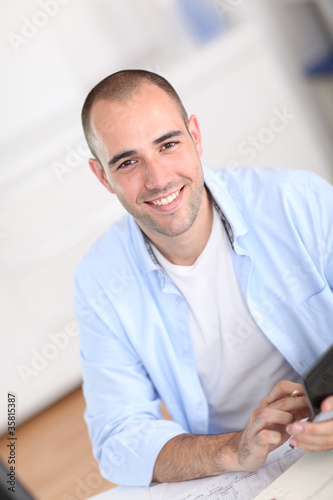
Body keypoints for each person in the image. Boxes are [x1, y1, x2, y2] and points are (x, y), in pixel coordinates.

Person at [74, 69, 333, 487]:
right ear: (102, 176)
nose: (158, 179)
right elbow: (117, 438)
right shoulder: (100, 280)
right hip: (234, 471)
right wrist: (233, 449)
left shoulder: (296, 200)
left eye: (168, 144)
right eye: (127, 162)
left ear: (195, 135)